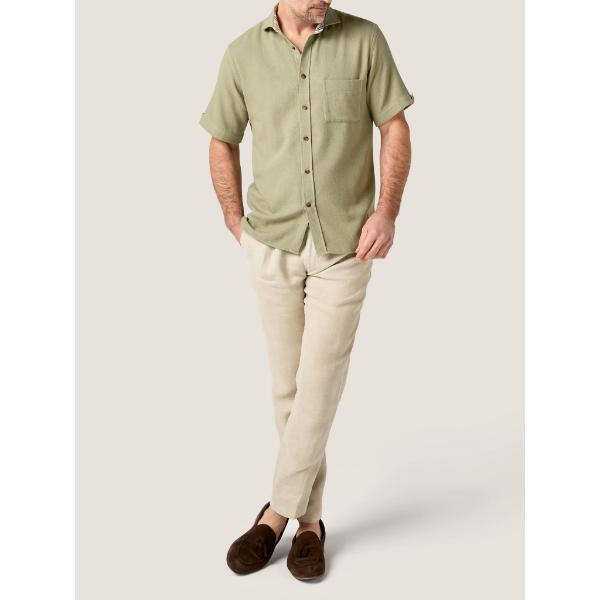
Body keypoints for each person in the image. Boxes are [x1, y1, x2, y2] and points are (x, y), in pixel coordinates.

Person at [198, 0, 414, 581]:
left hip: (345, 245)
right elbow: (221, 138)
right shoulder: (242, 54)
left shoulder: (366, 40)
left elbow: (394, 126)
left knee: (319, 384)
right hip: (271, 242)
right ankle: (311, 523)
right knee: (288, 389)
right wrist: (233, 217)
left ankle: (274, 515)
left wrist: (387, 211)